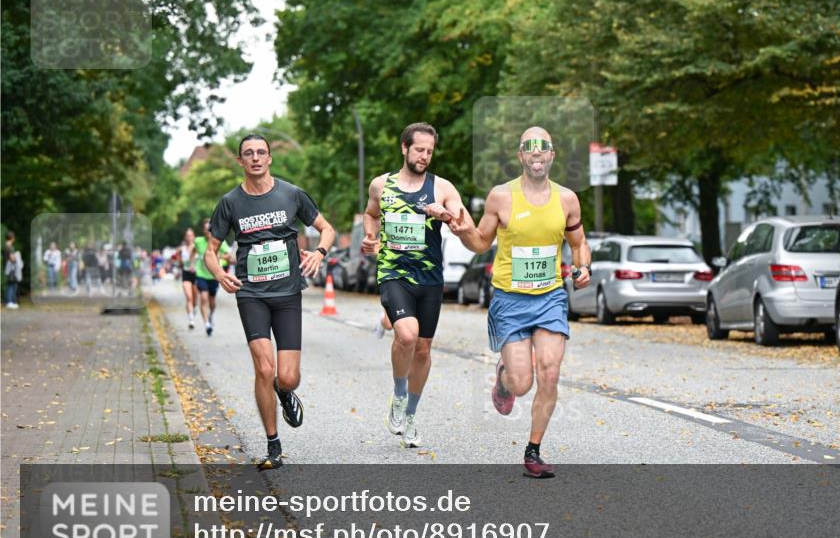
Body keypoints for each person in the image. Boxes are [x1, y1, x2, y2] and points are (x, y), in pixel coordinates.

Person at [450, 126, 591, 478]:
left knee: (551, 371)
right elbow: (481, 243)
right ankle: (504, 377)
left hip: (550, 298)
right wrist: (462, 229)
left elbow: (579, 244)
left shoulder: (567, 200)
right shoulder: (501, 197)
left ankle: (533, 451)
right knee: (522, 383)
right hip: (510, 301)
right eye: (530, 149)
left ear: (552, 155)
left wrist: (584, 265)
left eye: (544, 149)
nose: (537, 155)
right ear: (521, 156)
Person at [204, 134, 335, 471]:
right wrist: (220, 273)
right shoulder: (230, 202)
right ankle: (273, 444)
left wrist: (319, 253)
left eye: (261, 152)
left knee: (287, 377)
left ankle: (284, 391)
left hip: (288, 293)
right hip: (251, 294)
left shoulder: (291, 194)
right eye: (248, 153)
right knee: (264, 367)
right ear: (240, 161)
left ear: (270, 158)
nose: (256, 158)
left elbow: (327, 229)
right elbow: (210, 250)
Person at [361, 122, 470, 449]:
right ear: (404, 148)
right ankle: (398, 393)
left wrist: (446, 217)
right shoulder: (382, 185)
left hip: (430, 280)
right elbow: (370, 214)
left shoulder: (443, 188)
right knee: (406, 334)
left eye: (430, 151)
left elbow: (465, 224)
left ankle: (410, 416)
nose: (424, 156)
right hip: (394, 273)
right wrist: (371, 238)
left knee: (423, 348)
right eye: (419, 150)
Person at [194, 218, 233, 336]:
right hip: (201, 274)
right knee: (204, 298)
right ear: (203, 230)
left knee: (212, 301)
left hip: (214, 276)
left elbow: (229, 256)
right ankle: (207, 324)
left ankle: (210, 315)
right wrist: (191, 263)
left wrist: (219, 256)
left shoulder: (219, 241)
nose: (208, 232)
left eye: (209, 229)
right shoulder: (198, 241)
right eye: (206, 230)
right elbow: (192, 251)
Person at [178, 228, 198, 328]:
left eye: (191, 235)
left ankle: (193, 309)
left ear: (193, 236)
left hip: (196, 275)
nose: (189, 237)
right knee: (189, 297)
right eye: (187, 235)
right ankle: (191, 320)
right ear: (185, 237)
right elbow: (178, 262)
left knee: (194, 299)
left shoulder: (197, 247)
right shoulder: (182, 249)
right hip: (186, 274)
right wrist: (180, 260)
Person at [4, 242, 22, 308]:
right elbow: (7, 272)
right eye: (12, 255)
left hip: (15, 277)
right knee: (10, 289)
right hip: (11, 277)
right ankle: (9, 302)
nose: (13, 256)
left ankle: (13, 302)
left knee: (14, 288)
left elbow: (19, 266)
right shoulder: (9, 262)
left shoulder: (16, 261)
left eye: (13, 255)